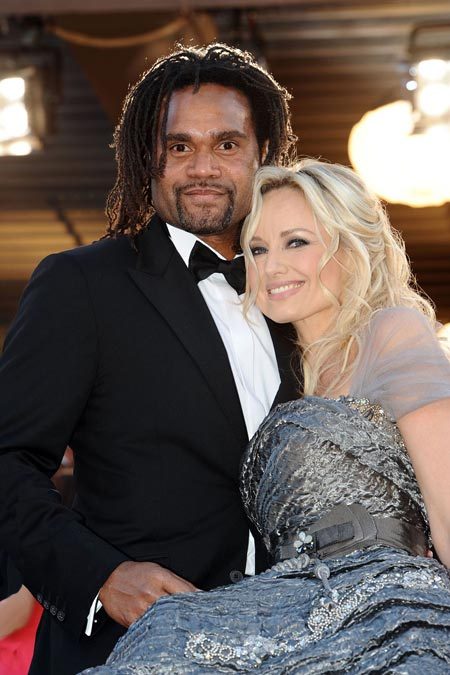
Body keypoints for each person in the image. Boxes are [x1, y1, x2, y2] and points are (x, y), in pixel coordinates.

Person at [81, 159, 450, 674]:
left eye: (296, 242)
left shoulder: (393, 332)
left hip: (389, 614)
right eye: (257, 249)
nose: (271, 266)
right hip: (298, 609)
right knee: (164, 639)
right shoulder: (284, 380)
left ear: (350, 245)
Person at [0, 44, 298, 675]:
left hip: (295, 650)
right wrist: (101, 577)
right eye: (178, 146)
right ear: (146, 158)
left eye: (226, 144)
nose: (202, 168)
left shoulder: (305, 295)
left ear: (263, 154)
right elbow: (9, 463)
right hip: (120, 650)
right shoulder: (81, 285)